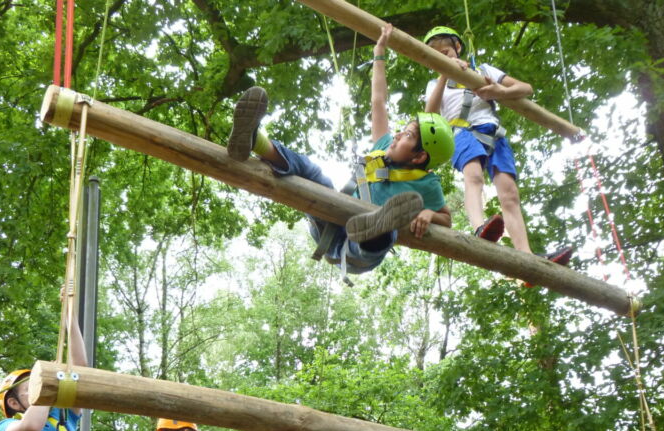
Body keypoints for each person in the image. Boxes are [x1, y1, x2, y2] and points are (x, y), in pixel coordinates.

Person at [227, 22, 465, 276]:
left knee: (388, 229)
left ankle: (374, 227)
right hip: (332, 216)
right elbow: (379, 101)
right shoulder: (384, 146)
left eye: (406, 135)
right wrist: (379, 53)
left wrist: (428, 213)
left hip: (354, 254)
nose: (396, 135)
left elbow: (446, 218)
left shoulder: (427, 184)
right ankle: (254, 141)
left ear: (419, 157)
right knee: (313, 172)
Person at [423, 25, 572, 264]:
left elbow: (525, 88)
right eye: (436, 55)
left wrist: (498, 91)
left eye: (446, 52)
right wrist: (444, 73)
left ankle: (526, 254)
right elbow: (429, 114)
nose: (443, 56)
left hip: (494, 132)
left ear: (457, 48)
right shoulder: (434, 84)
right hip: (462, 131)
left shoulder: (482, 70)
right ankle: (479, 227)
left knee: (510, 193)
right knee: (474, 177)